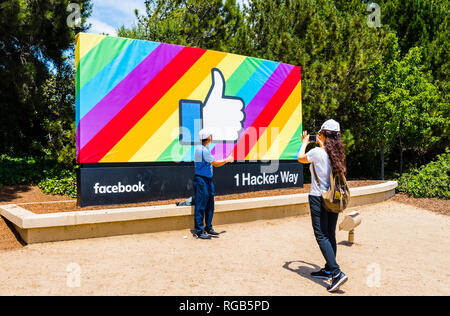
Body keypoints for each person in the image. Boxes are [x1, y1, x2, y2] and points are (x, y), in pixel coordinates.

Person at [297, 119, 348, 292]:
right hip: (332, 198)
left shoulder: (317, 152)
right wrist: (321, 143)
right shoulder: (337, 154)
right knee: (330, 233)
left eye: (320, 133)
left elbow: (300, 158)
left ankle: (336, 273)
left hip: (318, 197)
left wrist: (304, 143)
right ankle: (328, 268)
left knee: (321, 235)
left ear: (324, 134)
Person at [193, 128, 234, 240]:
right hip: (202, 180)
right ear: (209, 138)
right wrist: (227, 160)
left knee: (210, 204)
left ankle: (208, 228)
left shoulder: (202, 148)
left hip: (207, 180)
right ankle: (199, 231)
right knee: (201, 206)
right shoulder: (203, 150)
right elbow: (215, 164)